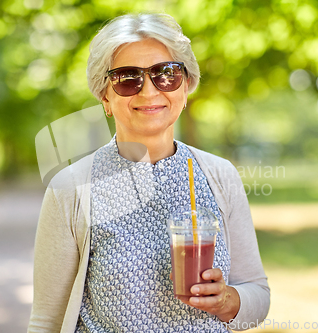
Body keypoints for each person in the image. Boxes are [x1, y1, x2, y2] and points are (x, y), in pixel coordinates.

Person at [28, 13, 269, 333]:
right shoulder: (72, 188)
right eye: (128, 78)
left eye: (166, 74)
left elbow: (257, 296)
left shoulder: (218, 175)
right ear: (105, 96)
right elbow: (46, 321)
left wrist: (227, 300)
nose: (149, 91)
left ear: (185, 86)